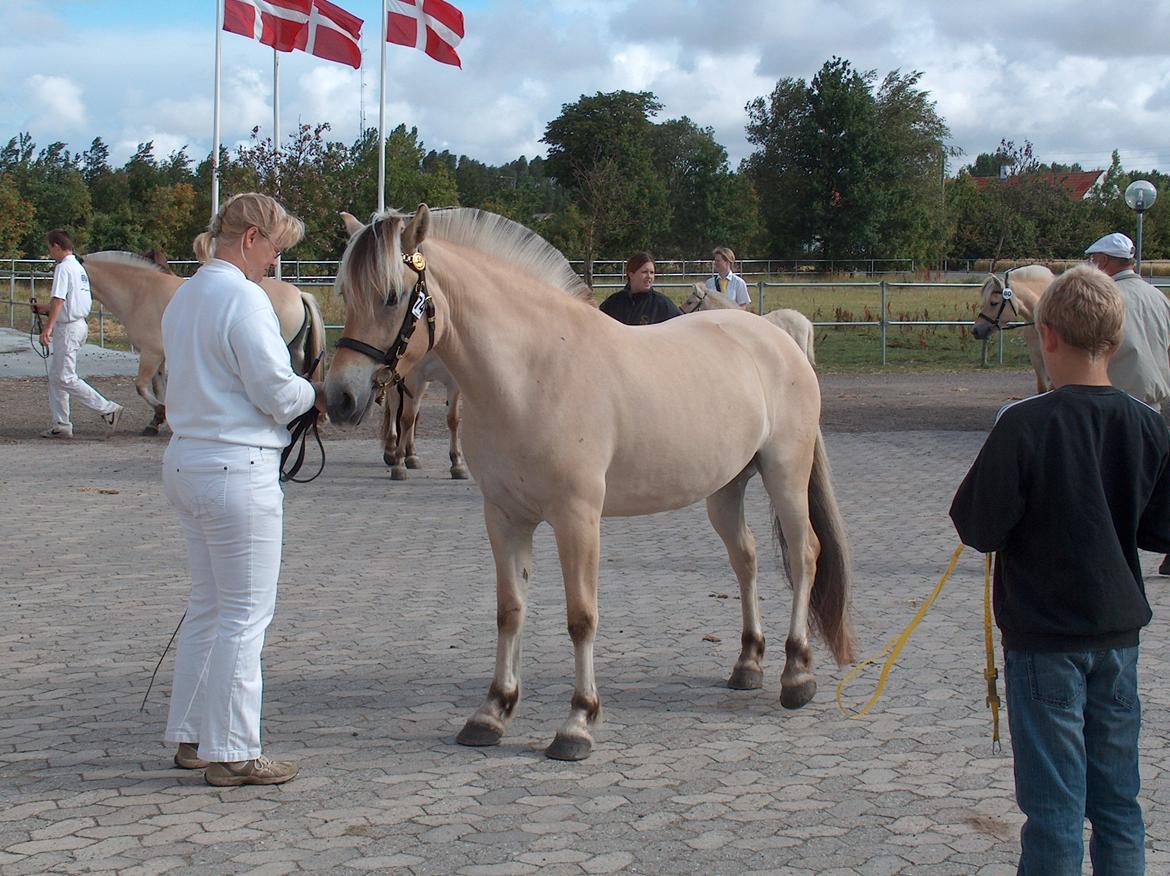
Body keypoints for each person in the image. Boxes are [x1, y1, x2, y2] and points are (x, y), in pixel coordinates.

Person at [950, 264, 1170, 876]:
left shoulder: (1023, 423)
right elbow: (1161, 530)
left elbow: (977, 526)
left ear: (1046, 334)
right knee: (1120, 801)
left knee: (1053, 810)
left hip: (1045, 640)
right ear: (1118, 337)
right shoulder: (1147, 424)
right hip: (1118, 638)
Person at [161, 193, 323, 787]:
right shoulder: (244, 299)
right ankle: (232, 751)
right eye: (275, 250)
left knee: (208, 606)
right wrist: (314, 392)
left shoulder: (185, 297)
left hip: (187, 460)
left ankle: (190, 736)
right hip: (236, 466)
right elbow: (277, 394)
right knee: (246, 616)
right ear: (251, 237)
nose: (275, 265)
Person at [1084, 231, 1170, 576]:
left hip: (1115, 402)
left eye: (1094, 261)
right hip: (1155, 405)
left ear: (1104, 262)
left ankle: (1108, 553)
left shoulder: (1105, 296)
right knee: (1155, 482)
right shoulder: (1157, 296)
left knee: (1110, 485)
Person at [35, 230, 124, 438]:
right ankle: (61, 424)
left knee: (64, 377)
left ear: (56, 246)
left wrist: (47, 328)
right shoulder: (78, 268)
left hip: (68, 328)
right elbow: (67, 302)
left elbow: (59, 300)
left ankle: (108, 408)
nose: (50, 252)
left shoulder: (63, 268)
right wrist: (43, 309)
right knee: (57, 377)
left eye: (50, 248)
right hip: (77, 323)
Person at [599, 252, 683, 325]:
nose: (649, 276)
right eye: (644, 272)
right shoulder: (614, 302)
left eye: (652, 272)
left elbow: (679, 326)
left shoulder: (662, 304)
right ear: (631, 274)